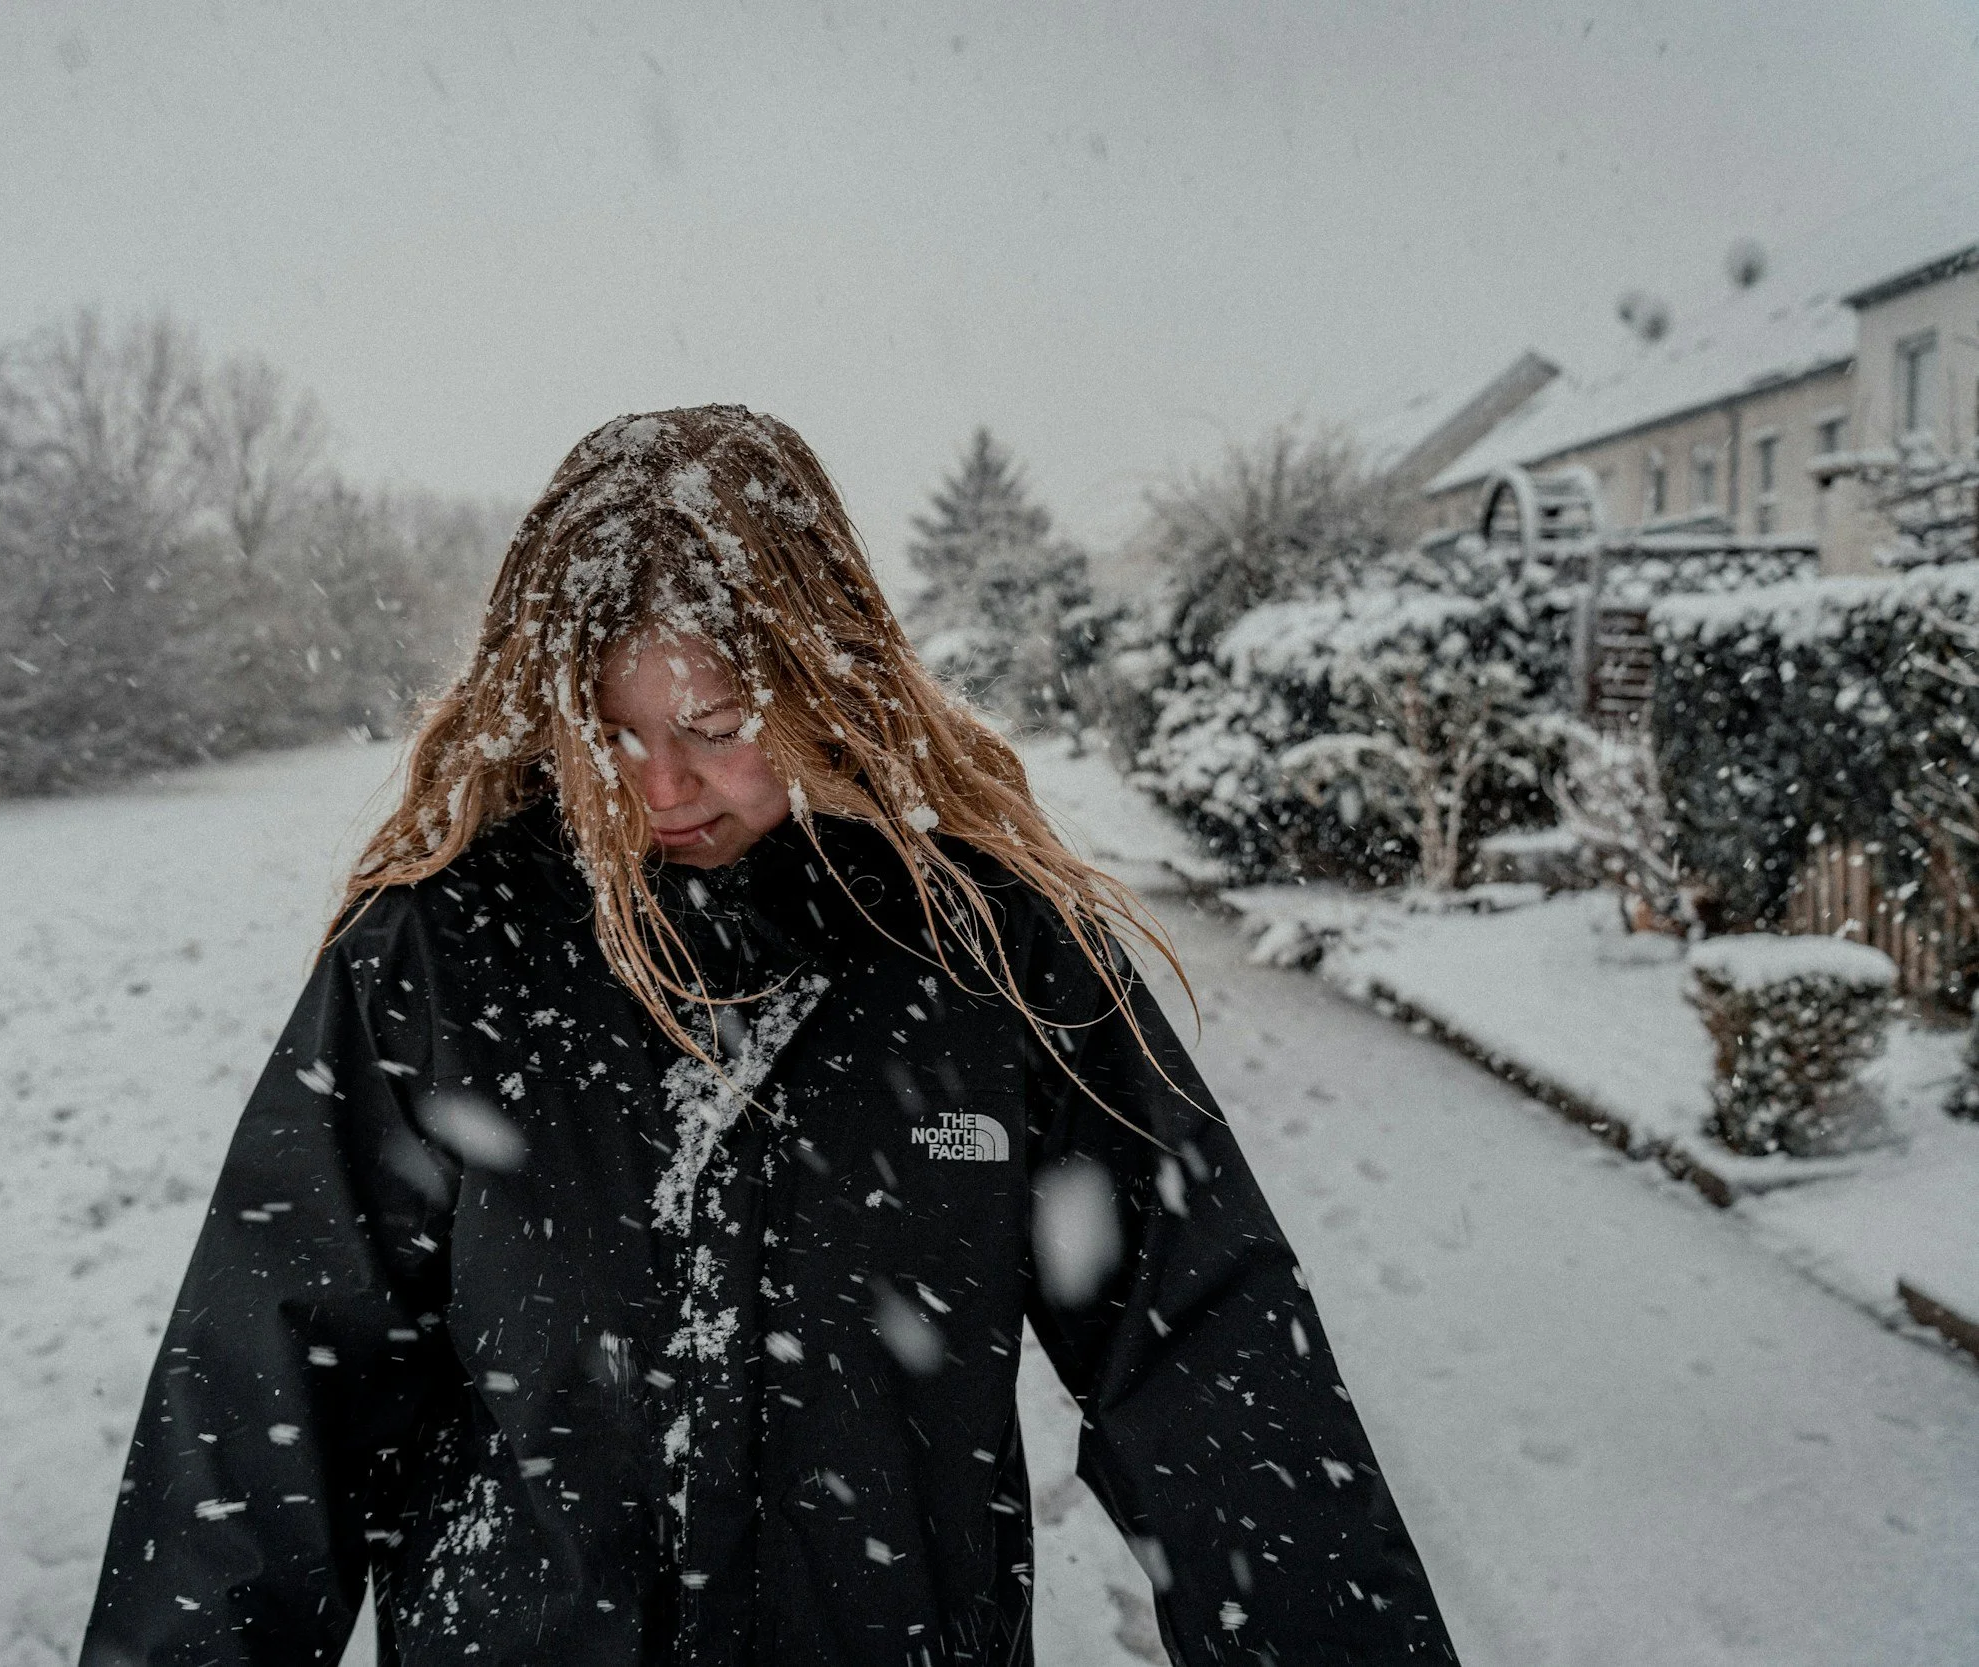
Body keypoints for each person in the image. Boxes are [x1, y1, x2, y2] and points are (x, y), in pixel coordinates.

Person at [77, 407, 1457, 1666]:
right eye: (608, 735)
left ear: (823, 679)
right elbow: (253, 1418)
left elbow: (1215, 1359)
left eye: (718, 724)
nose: (662, 784)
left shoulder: (986, 956)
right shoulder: (441, 962)